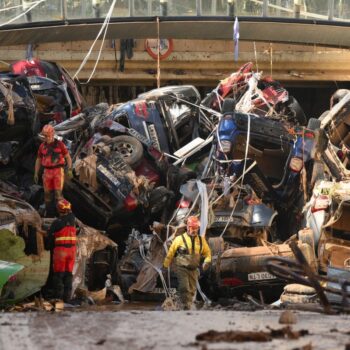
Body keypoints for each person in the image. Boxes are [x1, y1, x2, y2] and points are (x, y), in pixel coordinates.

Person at [163, 216, 211, 310]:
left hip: (193, 269)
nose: (194, 230)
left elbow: (208, 253)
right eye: (192, 227)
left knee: (192, 291)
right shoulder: (179, 239)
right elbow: (171, 253)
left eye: (196, 228)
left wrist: (206, 262)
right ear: (188, 227)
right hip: (182, 268)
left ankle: (180, 304)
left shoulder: (201, 240)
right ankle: (186, 308)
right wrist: (165, 265)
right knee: (184, 287)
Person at [34, 124, 73, 216]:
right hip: (47, 172)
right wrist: (36, 173)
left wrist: (70, 169)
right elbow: (38, 159)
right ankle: (49, 214)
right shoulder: (42, 146)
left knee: (58, 195)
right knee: (47, 195)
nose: (46, 138)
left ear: (52, 134)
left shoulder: (60, 144)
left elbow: (68, 157)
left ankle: (62, 215)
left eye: (47, 135)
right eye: (44, 136)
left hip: (58, 171)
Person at [47, 199, 77, 302]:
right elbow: (70, 213)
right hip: (72, 251)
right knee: (68, 274)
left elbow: (49, 237)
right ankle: (67, 298)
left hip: (61, 252)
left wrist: (47, 247)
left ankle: (58, 298)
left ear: (58, 210)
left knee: (58, 275)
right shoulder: (73, 219)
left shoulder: (56, 223)